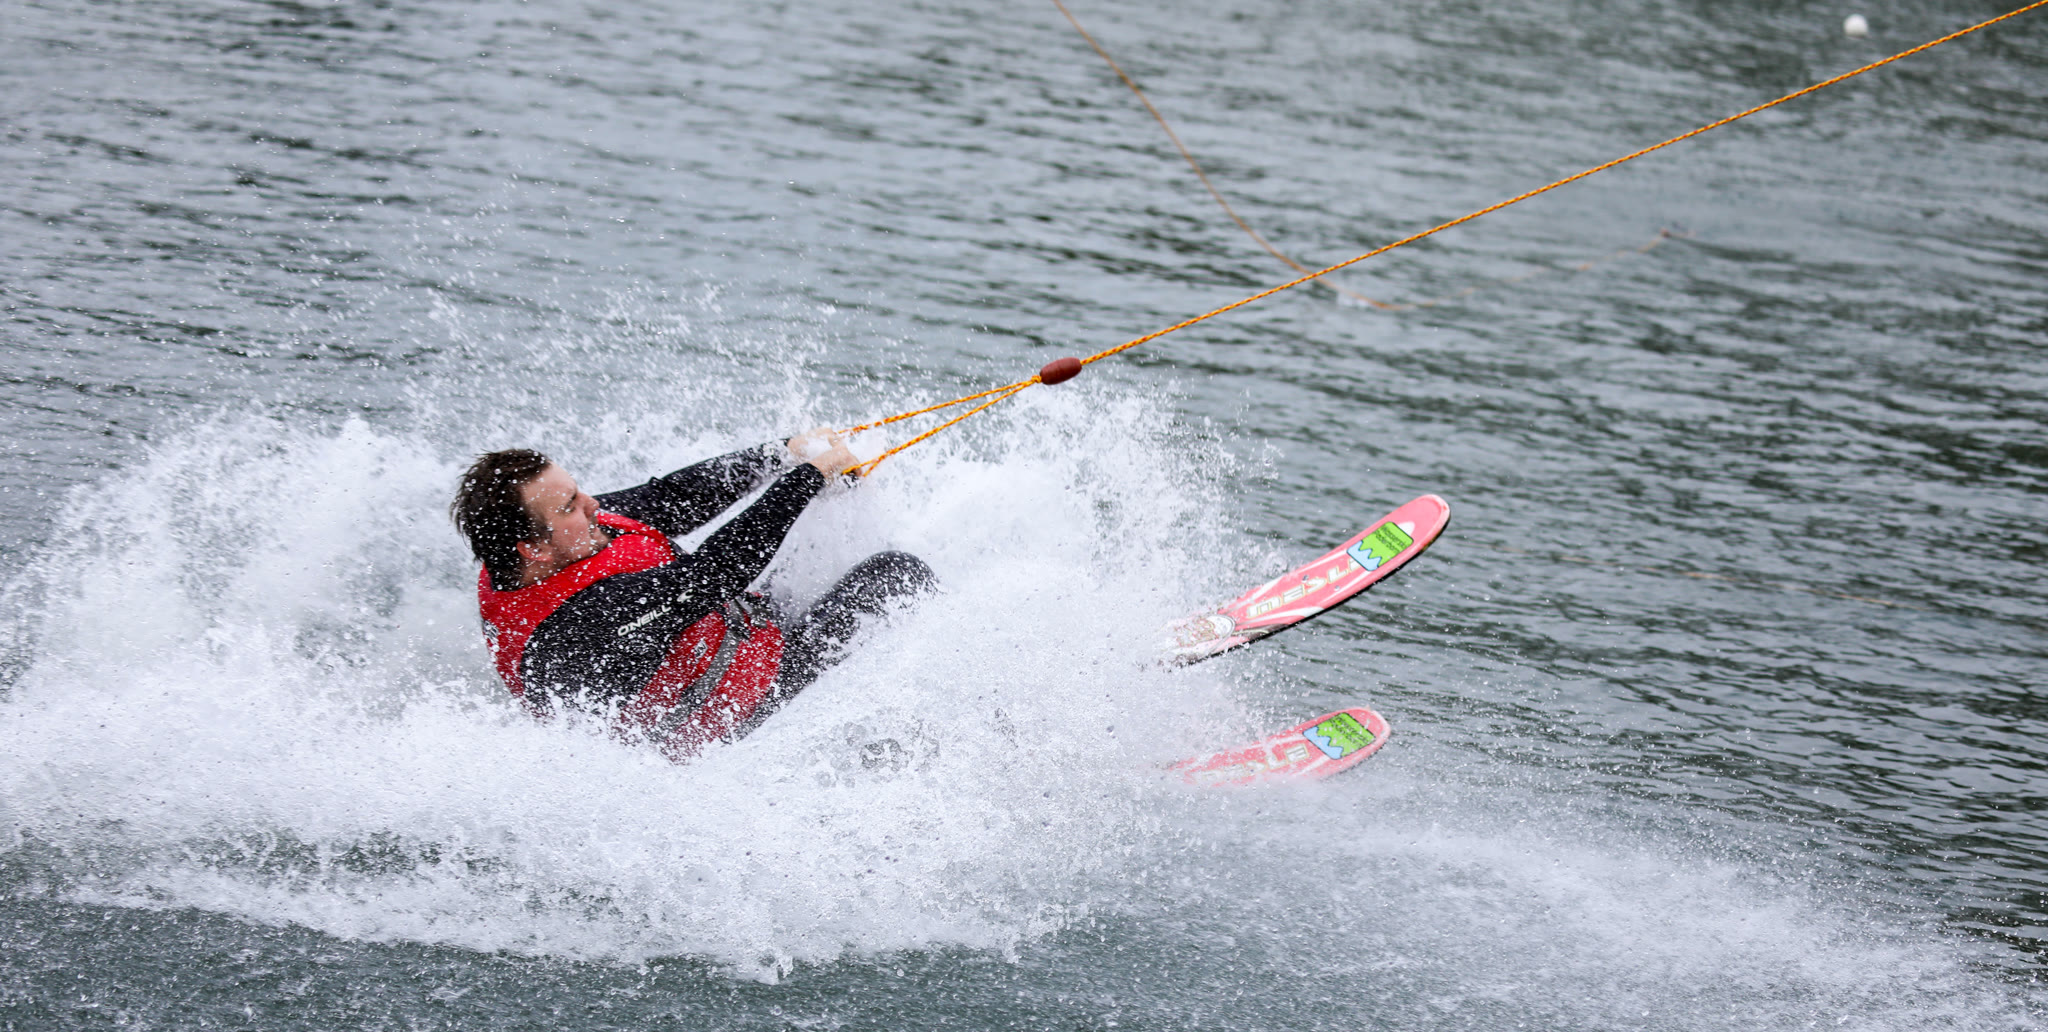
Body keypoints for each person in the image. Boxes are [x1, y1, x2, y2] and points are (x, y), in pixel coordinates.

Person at [449, 430, 934, 760]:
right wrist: (809, 476)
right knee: (896, 574)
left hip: (735, 635)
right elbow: (715, 573)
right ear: (532, 548)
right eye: (570, 505)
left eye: (578, 491)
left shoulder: (561, 538)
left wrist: (781, 452)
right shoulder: (573, 629)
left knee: (811, 538)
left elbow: (671, 499)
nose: (593, 503)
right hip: (737, 725)